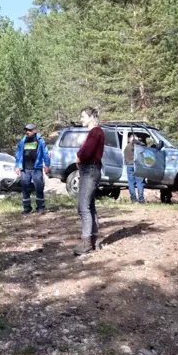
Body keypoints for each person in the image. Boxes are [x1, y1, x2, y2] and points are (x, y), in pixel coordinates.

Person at [74, 107, 104, 256]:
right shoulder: (96, 132)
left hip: (90, 170)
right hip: (91, 170)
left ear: (91, 117)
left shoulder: (95, 132)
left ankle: (86, 242)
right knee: (89, 206)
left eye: (83, 116)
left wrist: (79, 155)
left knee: (83, 207)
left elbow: (87, 151)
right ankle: (93, 239)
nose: (81, 119)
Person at [14, 124, 51, 215]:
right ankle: (27, 208)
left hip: (36, 168)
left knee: (39, 187)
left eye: (30, 130)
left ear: (34, 130)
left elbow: (45, 153)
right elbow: (18, 154)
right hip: (25, 169)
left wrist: (47, 164)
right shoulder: (23, 141)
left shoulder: (40, 141)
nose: (27, 132)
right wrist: (17, 165)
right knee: (25, 188)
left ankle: (40, 207)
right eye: (26, 130)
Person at [124, 133, 145, 203]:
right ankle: (141, 199)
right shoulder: (138, 146)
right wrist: (138, 141)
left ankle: (133, 199)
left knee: (131, 183)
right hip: (137, 166)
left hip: (129, 165)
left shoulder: (126, 147)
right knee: (139, 182)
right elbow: (144, 152)